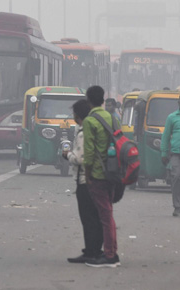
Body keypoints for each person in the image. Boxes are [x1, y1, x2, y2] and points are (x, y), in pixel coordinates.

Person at [82, 86, 120, 268]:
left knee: (105, 216)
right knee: (108, 213)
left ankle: (110, 255)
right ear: (103, 100)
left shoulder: (90, 120)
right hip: (113, 172)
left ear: (89, 100)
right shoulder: (112, 118)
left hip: (98, 173)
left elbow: (88, 152)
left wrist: (87, 175)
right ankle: (112, 251)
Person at [65, 99, 104, 264]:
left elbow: (80, 159)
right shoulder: (95, 130)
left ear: (77, 115)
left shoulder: (83, 133)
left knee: (88, 219)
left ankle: (91, 251)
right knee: (96, 218)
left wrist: (66, 155)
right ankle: (94, 249)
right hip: (98, 179)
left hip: (85, 181)